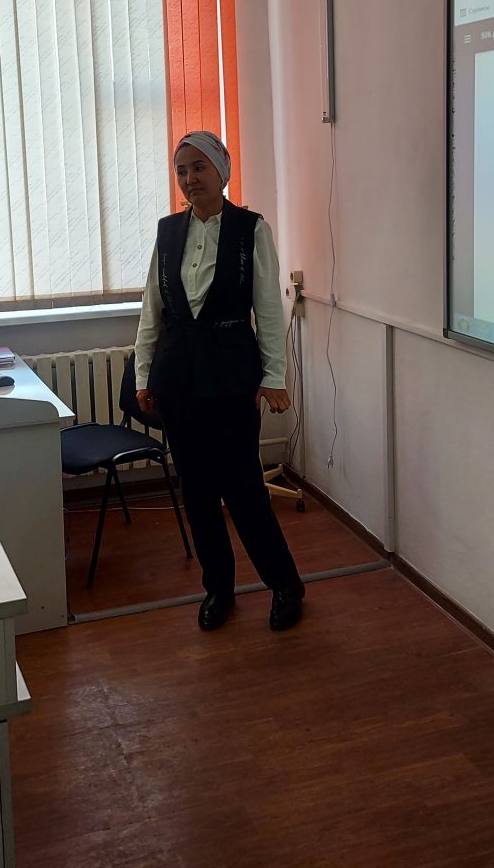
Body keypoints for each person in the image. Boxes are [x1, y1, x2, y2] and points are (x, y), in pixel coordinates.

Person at [133, 131, 305, 632]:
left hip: (231, 378)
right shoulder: (168, 232)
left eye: (199, 167)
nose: (190, 178)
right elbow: (152, 310)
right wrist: (144, 374)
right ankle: (219, 589)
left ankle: (285, 585)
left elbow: (268, 311)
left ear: (222, 171)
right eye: (181, 170)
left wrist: (275, 376)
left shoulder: (252, 229)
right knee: (198, 493)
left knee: (244, 489)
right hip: (178, 379)